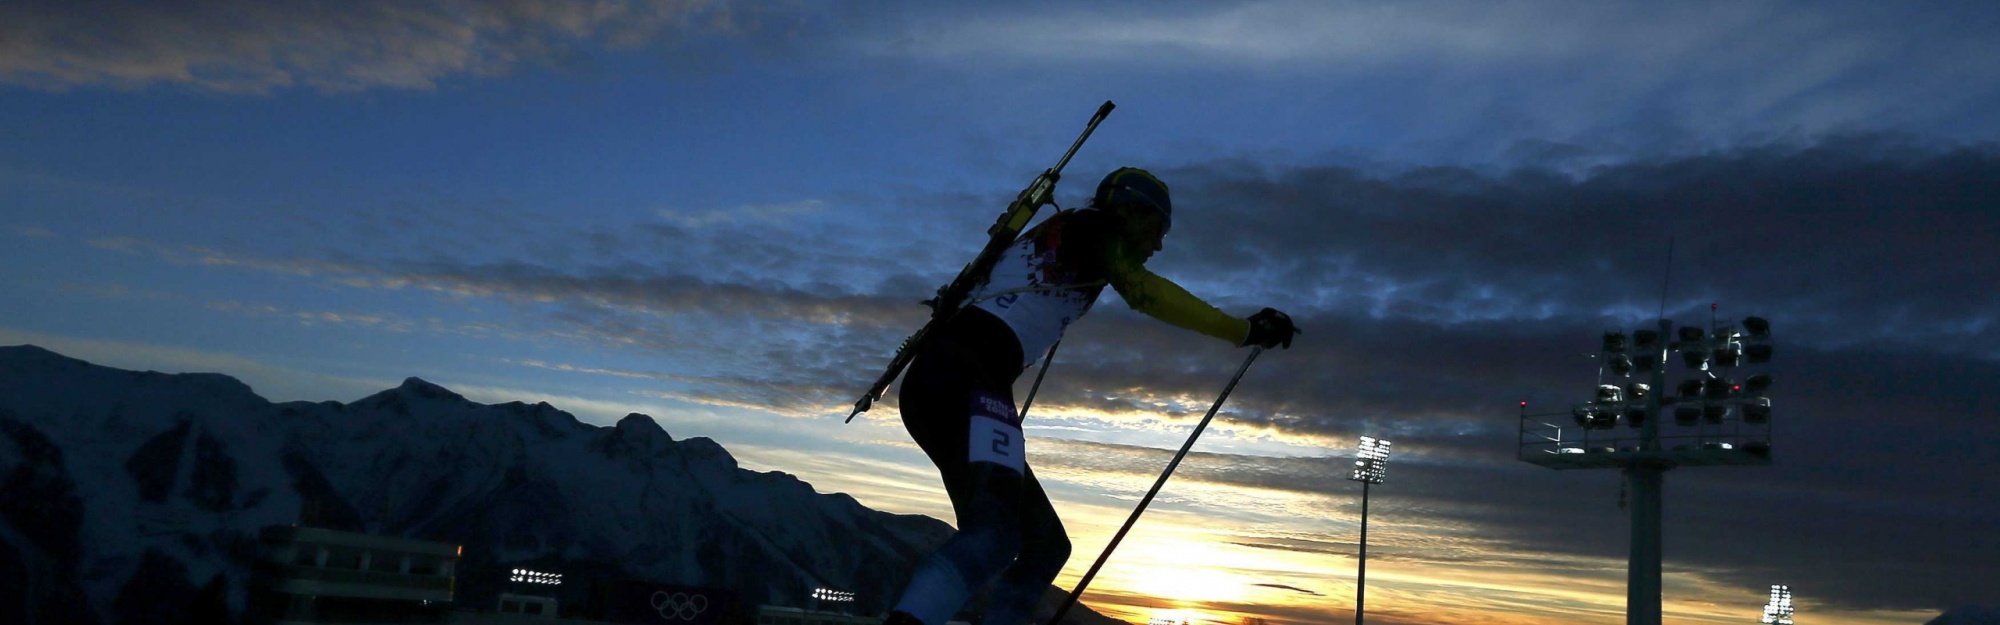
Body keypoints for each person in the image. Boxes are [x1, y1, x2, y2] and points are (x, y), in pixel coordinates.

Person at [884, 168, 1298, 625]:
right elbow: (1143, 292)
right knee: (998, 538)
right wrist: (1242, 330)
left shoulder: (1066, 233)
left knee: (1043, 545)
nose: (1158, 245)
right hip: (969, 377)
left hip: (945, 379)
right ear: (1132, 212)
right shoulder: (1093, 228)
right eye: (1158, 229)